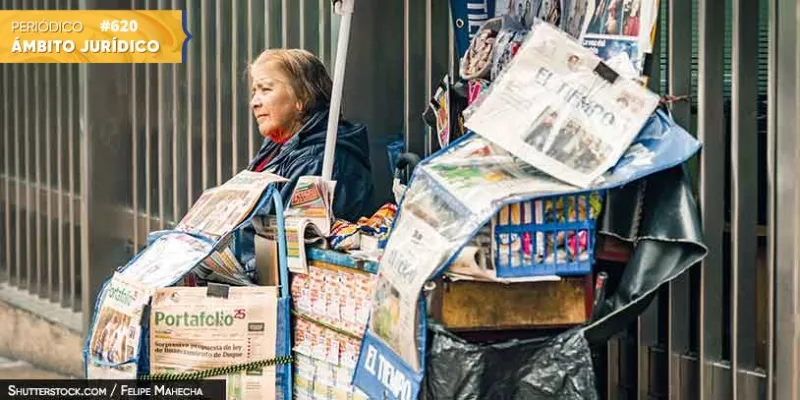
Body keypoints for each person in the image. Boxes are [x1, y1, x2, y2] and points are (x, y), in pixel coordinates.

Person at [247, 48, 374, 222]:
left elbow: (288, 238)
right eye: (254, 92)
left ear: (302, 98)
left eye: (266, 90)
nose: (254, 102)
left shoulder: (317, 159)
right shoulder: (276, 144)